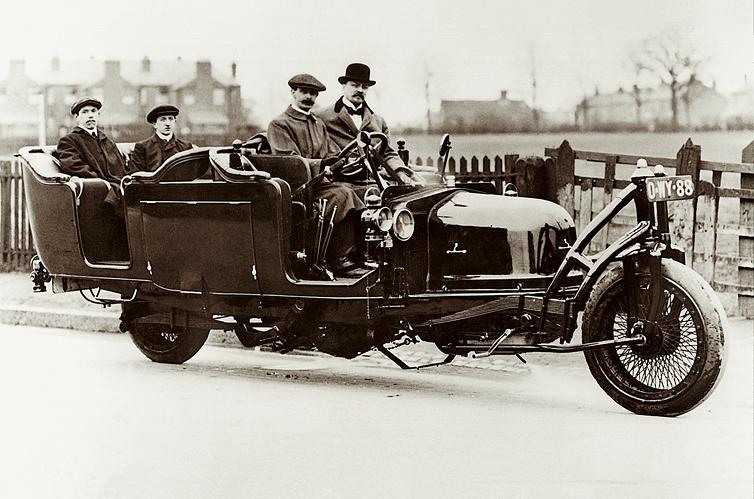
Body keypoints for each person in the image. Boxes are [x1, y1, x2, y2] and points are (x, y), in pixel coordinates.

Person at [267, 73, 365, 275]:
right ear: (293, 92)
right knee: (343, 194)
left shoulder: (318, 123)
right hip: (296, 190)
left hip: (318, 184)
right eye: (304, 92)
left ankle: (359, 255)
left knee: (362, 192)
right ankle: (338, 259)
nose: (309, 97)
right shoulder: (280, 124)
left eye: (313, 93)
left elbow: (331, 153)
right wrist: (321, 164)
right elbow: (290, 163)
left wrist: (345, 160)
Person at [317, 63, 412, 182]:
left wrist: (400, 173)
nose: (360, 90)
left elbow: (388, 153)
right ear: (343, 86)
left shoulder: (379, 121)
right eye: (355, 85)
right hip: (338, 181)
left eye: (364, 87)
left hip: (372, 181)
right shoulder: (322, 116)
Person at [56, 97, 128, 212]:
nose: (90, 115)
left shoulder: (106, 140)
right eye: (85, 112)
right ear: (76, 117)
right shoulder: (69, 140)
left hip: (118, 188)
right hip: (97, 192)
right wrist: (101, 182)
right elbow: (73, 165)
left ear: (98, 115)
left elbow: (121, 167)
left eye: (93, 111)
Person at [129, 104, 193, 171]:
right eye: (163, 119)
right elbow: (137, 175)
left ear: (175, 122)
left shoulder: (185, 147)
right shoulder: (142, 148)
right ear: (154, 124)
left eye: (170, 119)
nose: (168, 123)